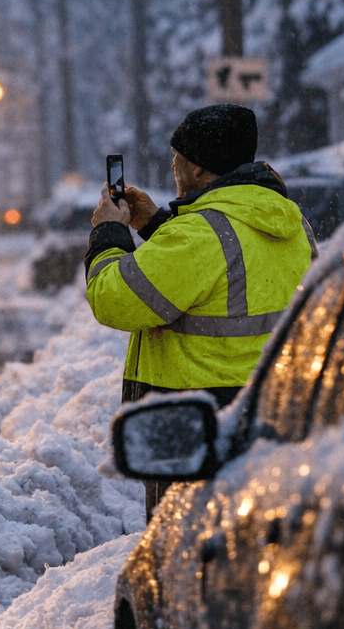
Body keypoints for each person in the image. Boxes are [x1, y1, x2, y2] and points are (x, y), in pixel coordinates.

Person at [85, 105, 316, 515]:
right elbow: (225, 274)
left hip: (191, 423)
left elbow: (114, 299)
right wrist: (155, 224)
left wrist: (109, 231)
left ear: (196, 168)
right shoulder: (293, 223)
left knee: (180, 539)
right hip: (271, 412)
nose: (174, 168)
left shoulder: (198, 235)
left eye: (177, 159)